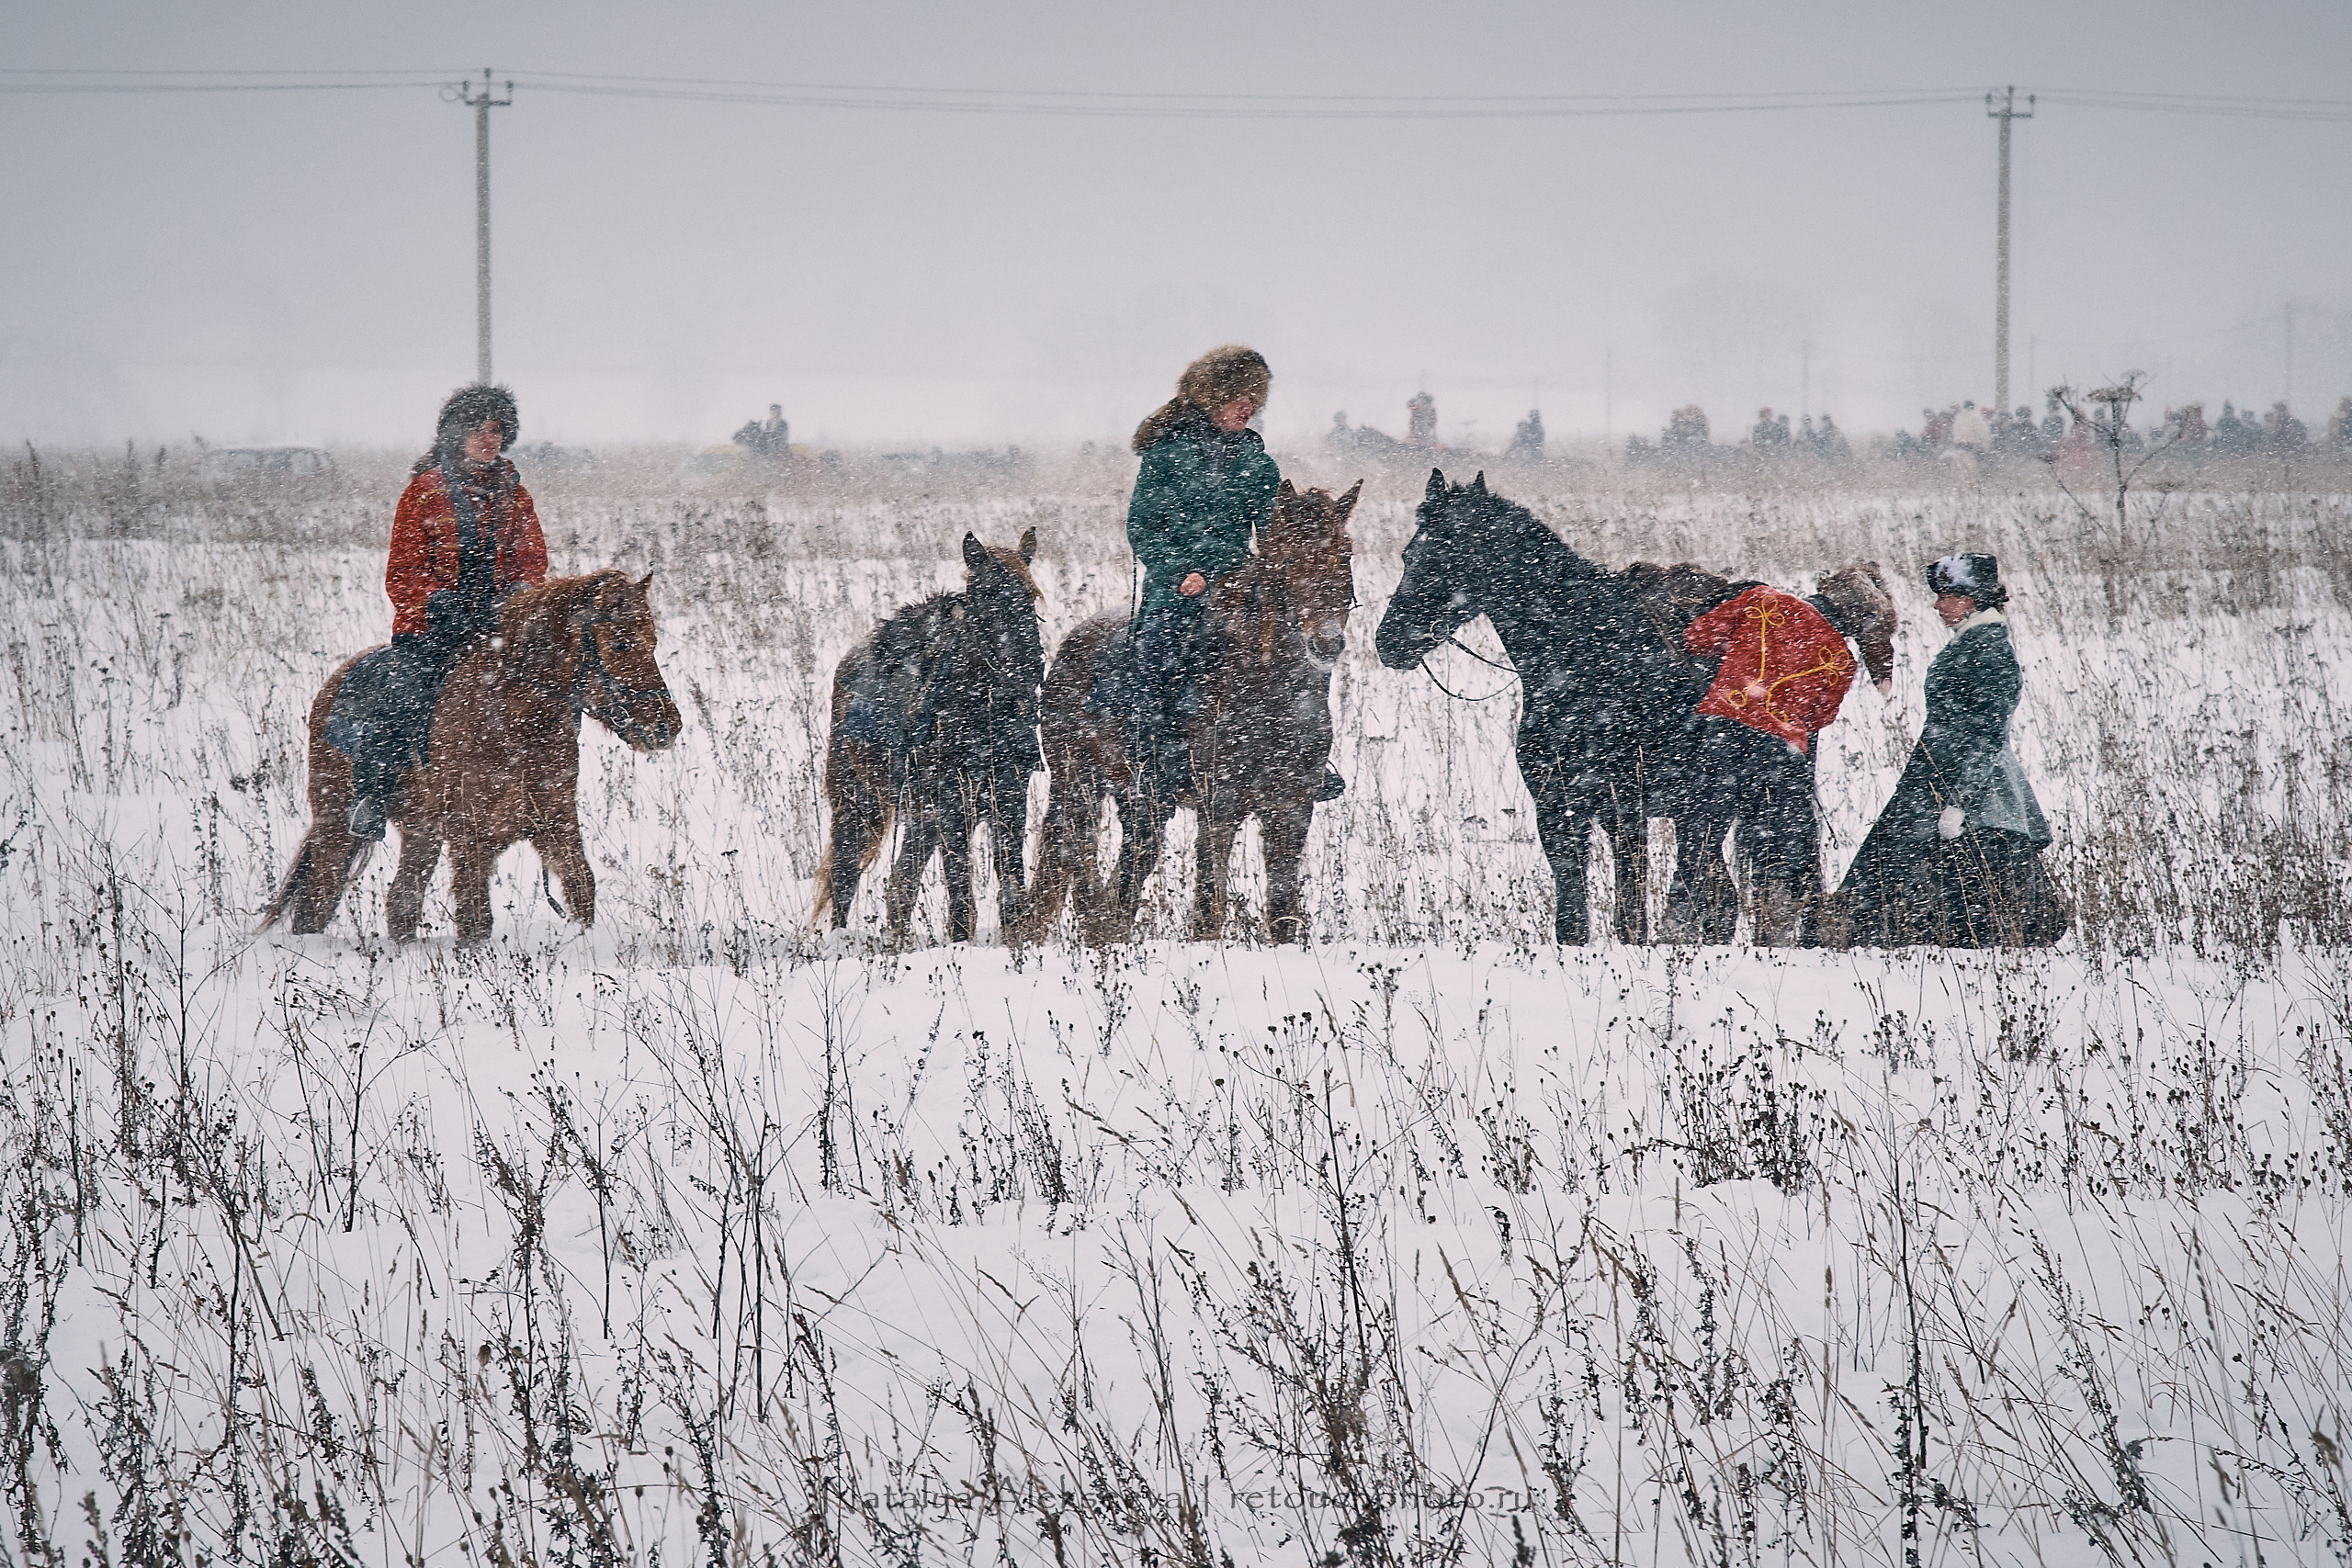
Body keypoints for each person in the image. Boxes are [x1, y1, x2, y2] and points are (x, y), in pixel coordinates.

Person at [1102, 344, 1340, 802]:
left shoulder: (1259, 465)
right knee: (1158, 653)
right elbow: (1143, 526)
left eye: (1254, 398)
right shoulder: (1166, 456)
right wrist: (1179, 573)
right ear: (1210, 398)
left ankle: (1306, 752)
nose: (1247, 406)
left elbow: (1270, 535)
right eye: (1237, 396)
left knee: (1301, 648)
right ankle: (1155, 760)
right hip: (1177, 587)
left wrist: (1301, 549)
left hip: (1238, 581)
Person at [325, 384, 548, 840]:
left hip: (497, 626)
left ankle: (545, 792)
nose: (489, 438)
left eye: (497, 430)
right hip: (432, 630)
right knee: (403, 691)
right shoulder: (424, 493)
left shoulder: (516, 495)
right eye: (478, 429)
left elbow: (532, 560)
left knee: (555, 683)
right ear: (455, 434)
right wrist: (435, 602)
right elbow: (403, 570)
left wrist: (521, 593)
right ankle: (373, 793)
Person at [1826, 554, 2070, 948]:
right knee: (1936, 869)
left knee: (1968, 870)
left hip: (1972, 778)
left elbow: (1989, 735)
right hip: (1942, 769)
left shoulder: (1989, 648)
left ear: (1973, 599)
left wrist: (1960, 801)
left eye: (1947, 596)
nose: (1937, 605)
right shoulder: (1974, 641)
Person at [1676, 568, 1891, 944]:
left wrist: (1737, 656)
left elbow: (1695, 637)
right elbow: (1820, 717)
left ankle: (1688, 920)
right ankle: (1773, 935)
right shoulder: (1840, 659)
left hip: (1721, 734)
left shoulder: (1763, 601)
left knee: (1701, 838)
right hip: (1780, 755)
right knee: (1770, 846)